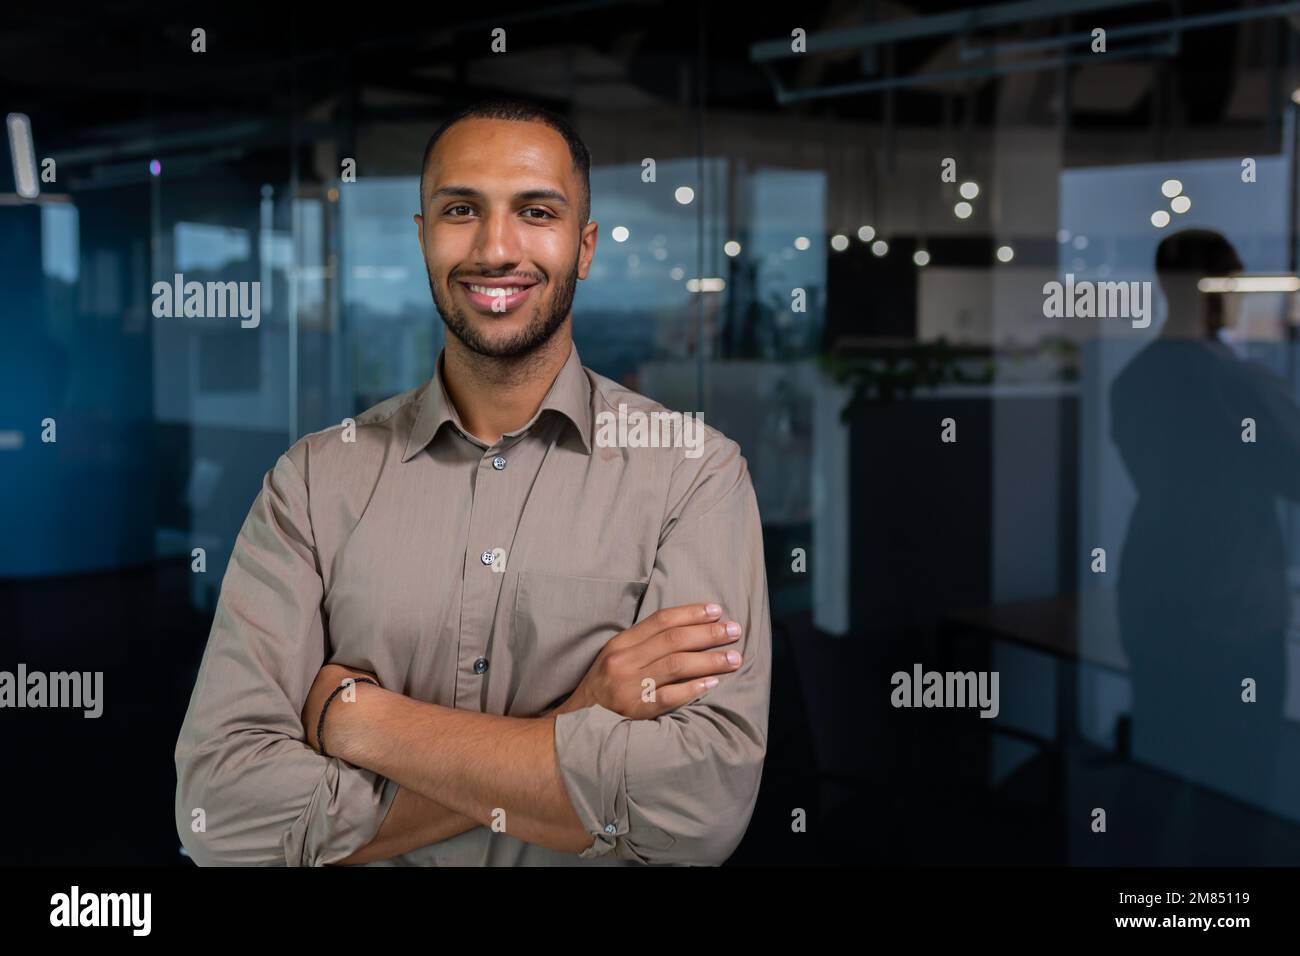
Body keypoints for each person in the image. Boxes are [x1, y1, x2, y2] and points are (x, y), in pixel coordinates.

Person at [174, 98, 771, 866]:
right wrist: (583, 714)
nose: (497, 248)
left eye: (536, 211)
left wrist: (362, 723)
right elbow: (218, 810)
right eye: (462, 209)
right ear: (422, 237)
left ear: (583, 247)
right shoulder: (316, 482)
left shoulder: (695, 474)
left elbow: (697, 812)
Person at [1110, 229, 1300, 855]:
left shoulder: (1133, 380)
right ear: (1211, 287)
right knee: (1236, 789)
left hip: (1156, 595)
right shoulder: (1238, 383)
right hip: (1233, 605)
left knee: (1159, 770)